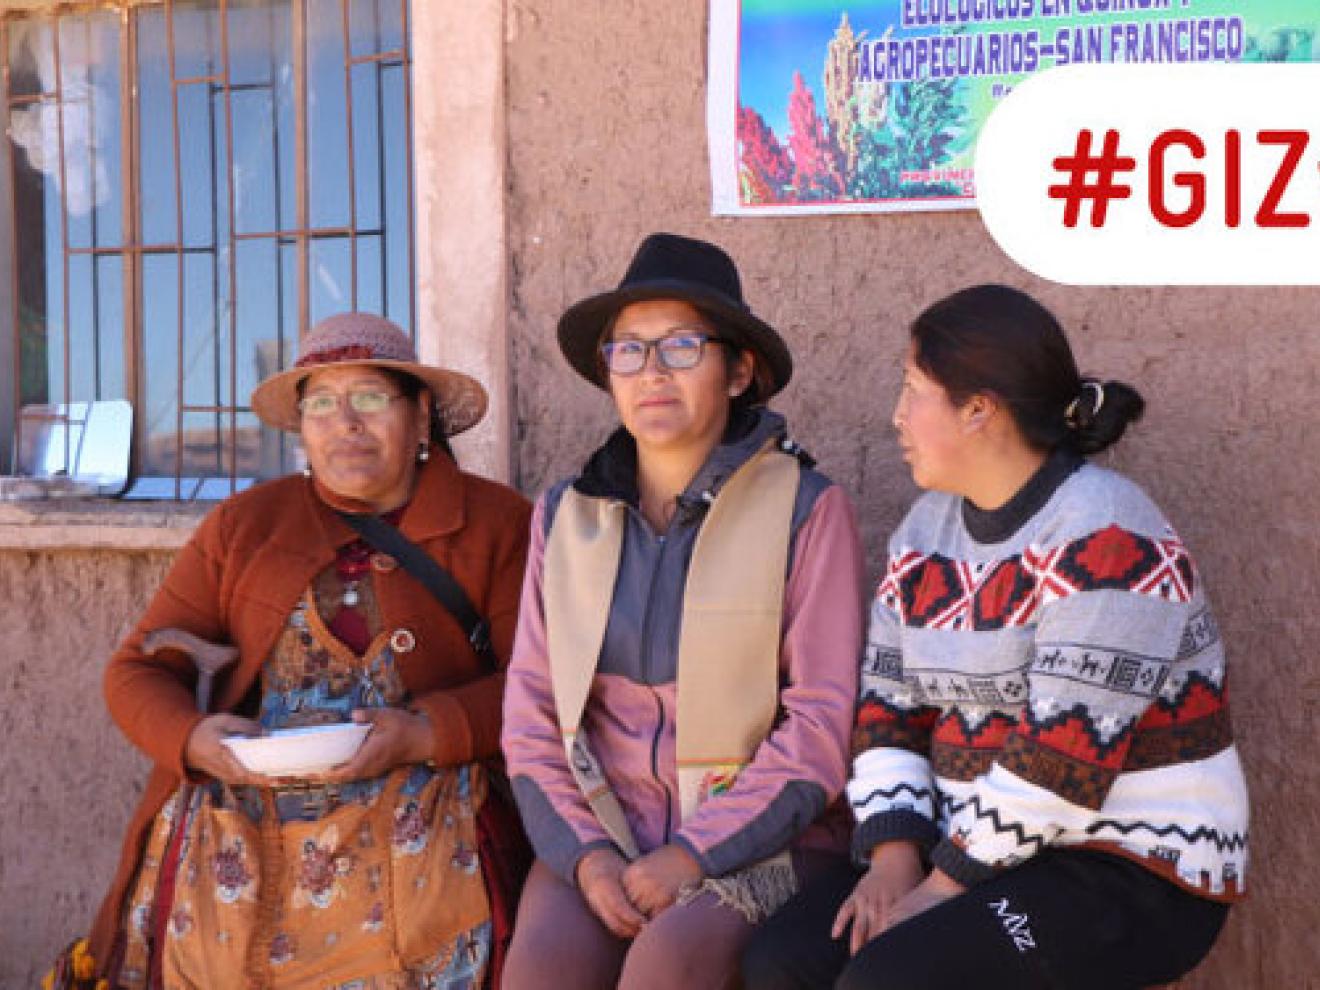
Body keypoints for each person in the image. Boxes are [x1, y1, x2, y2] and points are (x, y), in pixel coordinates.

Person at [742, 284, 1250, 990]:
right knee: (783, 963)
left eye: (914, 389)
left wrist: (938, 888)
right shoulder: (926, 533)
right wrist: (893, 856)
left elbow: (1062, 760)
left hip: (1131, 866)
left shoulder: (1108, 534)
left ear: (979, 409)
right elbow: (888, 709)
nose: (897, 414)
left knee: (891, 978)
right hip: (974, 846)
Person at [86, 313, 531, 989]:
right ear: (302, 427)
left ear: (420, 419)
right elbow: (138, 671)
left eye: (371, 399)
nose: (344, 423)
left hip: (426, 816)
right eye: (321, 403)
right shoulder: (245, 525)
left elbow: (540, 686)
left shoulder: (499, 524)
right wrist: (194, 737)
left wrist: (426, 733)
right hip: (248, 818)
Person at [500, 233, 865, 990]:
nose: (651, 372)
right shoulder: (566, 517)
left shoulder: (806, 508)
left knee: (667, 967)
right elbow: (531, 720)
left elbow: (821, 731)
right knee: (541, 973)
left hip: (762, 840)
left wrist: (691, 856)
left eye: (682, 346)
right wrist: (587, 857)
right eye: (627, 351)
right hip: (603, 828)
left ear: (739, 371)